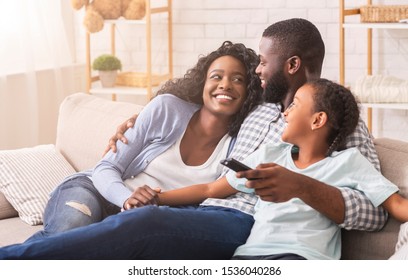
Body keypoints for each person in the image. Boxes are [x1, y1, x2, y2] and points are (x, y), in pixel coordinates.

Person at [0, 18, 387, 260]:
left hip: (244, 224)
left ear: (292, 65)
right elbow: (199, 96)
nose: (256, 71)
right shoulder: (257, 108)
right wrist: (133, 121)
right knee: (114, 238)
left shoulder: (341, 122)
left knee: (143, 225)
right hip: (203, 209)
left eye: (262, 64)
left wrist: (301, 186)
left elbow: (375, 212)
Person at [26, 40, 262, 240]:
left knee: (95, 247)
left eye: (238, 79)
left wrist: (144, 206)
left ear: (249, 90)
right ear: (203, 82)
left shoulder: (242, 142)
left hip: (149, 216)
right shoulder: (167, 109)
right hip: (98, 191)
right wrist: (128, 198)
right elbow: (106, 167)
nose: (225, 85)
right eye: (216, 76)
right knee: (70, 232)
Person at [154, 79, 407, 260]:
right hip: (248, 256)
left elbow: (396, 206)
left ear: (317, 120)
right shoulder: (269, 155)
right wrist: (157, 198)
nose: (285, 112)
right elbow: (210, 188)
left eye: (295, 105)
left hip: (301, 257)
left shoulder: (348, 162)